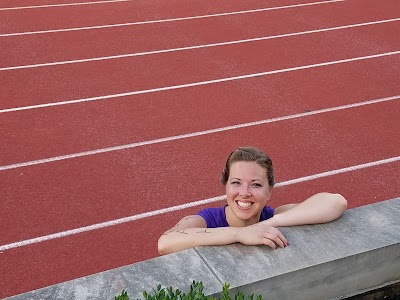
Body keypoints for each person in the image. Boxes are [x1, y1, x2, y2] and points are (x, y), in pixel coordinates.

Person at [158, 146, 347, 255]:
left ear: (269, 191)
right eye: (236, 183)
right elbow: (165, 242)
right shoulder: (207, 219)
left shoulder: (274, 215)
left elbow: (336, 202)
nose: (245, 192)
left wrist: (271, 223)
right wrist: (240, 234)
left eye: (256, 185)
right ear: (225, 186)